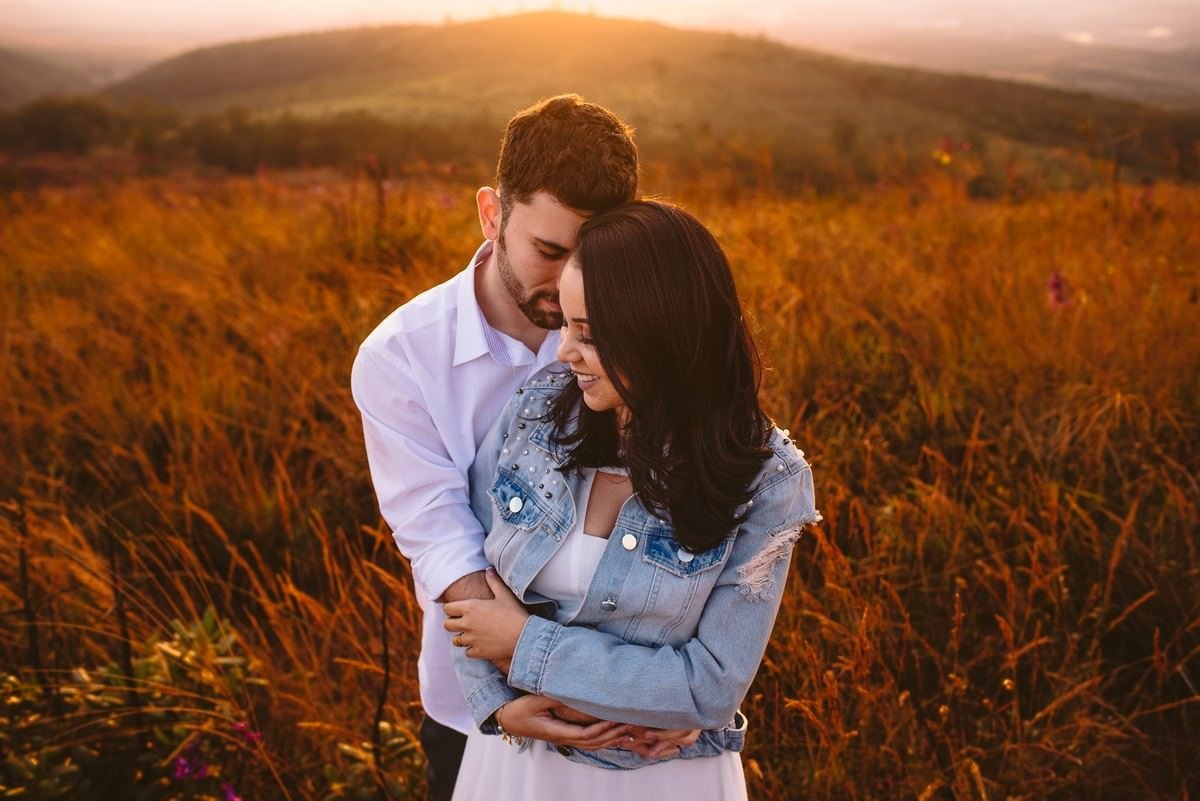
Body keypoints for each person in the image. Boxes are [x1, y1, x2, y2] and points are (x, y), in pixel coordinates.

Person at [443, 201, 820, 798]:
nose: (564, 351)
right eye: (565, 324)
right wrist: (496, 704)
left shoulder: (766, 480)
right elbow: (468, 574)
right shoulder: (536, 415)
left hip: (663, 780)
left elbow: (710, 687)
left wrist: (524, 646)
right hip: (517, 766)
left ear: (661, 336)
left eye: (589, 336)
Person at [351, 94, 646, 801]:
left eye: (593, 253)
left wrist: (639, 685)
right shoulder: (401, 356)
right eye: (550, 251)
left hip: (633, 701)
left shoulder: (646, 334)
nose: (570, 281)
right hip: (481, 706)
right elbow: (440, 538)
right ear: (492, 214)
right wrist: (510, 676)